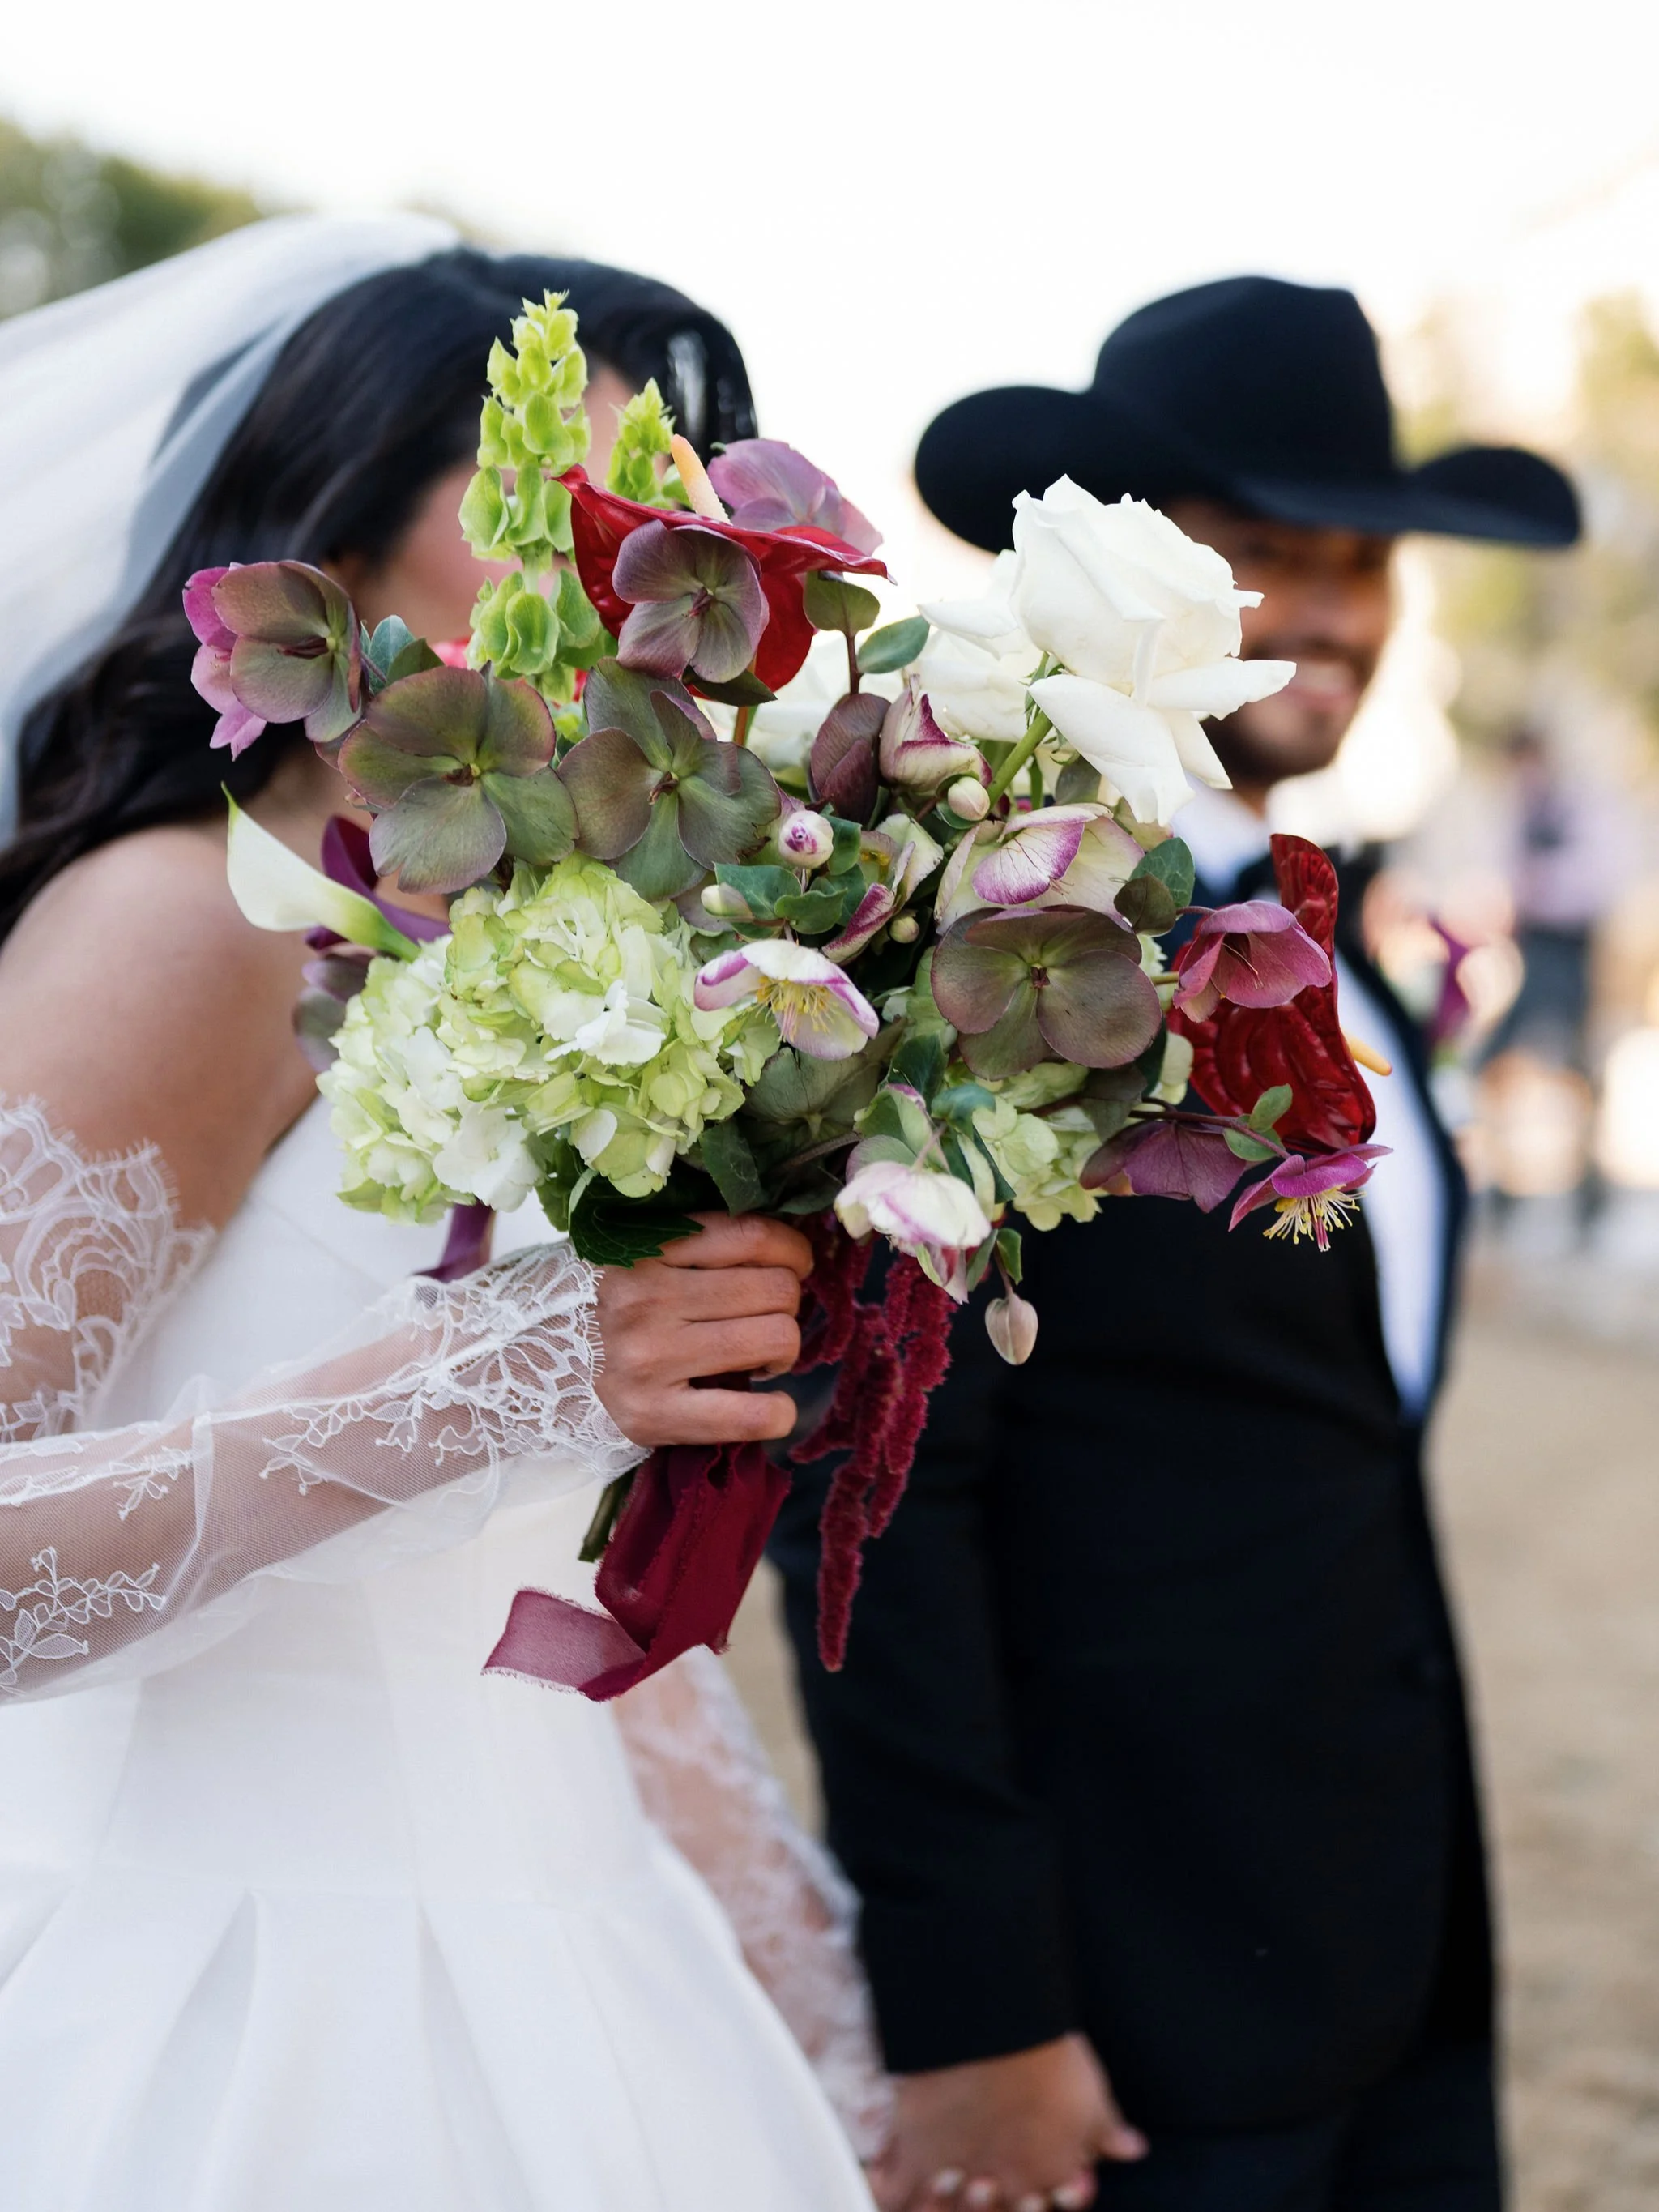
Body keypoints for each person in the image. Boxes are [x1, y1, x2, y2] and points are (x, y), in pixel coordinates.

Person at [0, 216, 878, 2210]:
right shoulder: (186, 923)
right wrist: (491, 1379)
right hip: (231, 2016)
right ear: (330, 539)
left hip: (580, 1977)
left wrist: (827, 2013)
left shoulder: (557, 952)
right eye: (544, 517)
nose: (623, 589)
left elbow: (522, 1605)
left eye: (657, 532)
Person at [773, 275, 1580, 2212]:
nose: (1331, 614)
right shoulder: (966, 951)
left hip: (1385, 1951)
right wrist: (971, 2012)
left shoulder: (1331, 925)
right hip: (1125, 2015)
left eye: (1363, 563)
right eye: (1258, 555)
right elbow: (874, 1507)